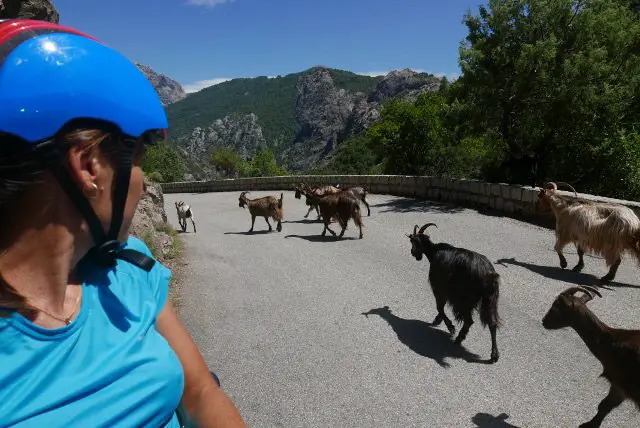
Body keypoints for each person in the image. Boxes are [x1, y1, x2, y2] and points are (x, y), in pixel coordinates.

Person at [0, 19, 246, 427]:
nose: (144, 184)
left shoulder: (131, 267)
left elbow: (201, 393)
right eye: (139, 164)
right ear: (89, 166)